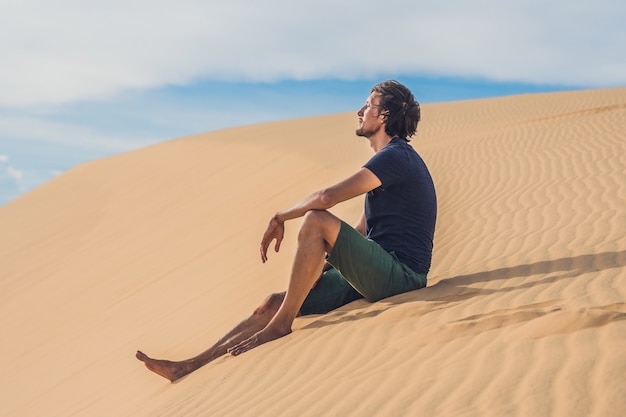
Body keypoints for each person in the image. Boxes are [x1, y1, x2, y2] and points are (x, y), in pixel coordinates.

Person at [136, 80, 437, 382]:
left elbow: (326, 199)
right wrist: (324, 265)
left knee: (316, 220)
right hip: (376, 273)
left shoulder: (397, 156)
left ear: (383, 115)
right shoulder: (387, 163)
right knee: (274, 301)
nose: (359, 111)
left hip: (402, 276)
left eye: (368, 105)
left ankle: (281, 326)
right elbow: (361, 231)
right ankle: (187, 366)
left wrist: (281, 216)